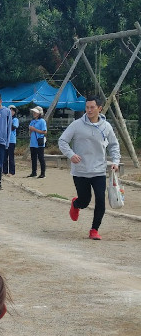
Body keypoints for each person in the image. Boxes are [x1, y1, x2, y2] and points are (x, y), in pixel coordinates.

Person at [58, 96, 121, 240]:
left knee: (100, 199)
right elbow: (62, 141)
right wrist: (71, 154)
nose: (89, 110)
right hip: (80, 170)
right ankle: (76, 203)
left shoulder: (106, 126)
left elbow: (114, 145)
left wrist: (115, 161)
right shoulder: (76, 125)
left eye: (92, 107)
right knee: (85, 201)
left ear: (99, 108)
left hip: (99, 170)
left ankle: (94, 230)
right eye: (87, 107)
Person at [27, 106, 47, 179]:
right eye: (33, 112)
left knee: (41, 157)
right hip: (33, 142)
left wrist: (34, 129)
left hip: (39, 142)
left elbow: (44, 131)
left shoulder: (42, 121)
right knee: (33, 158)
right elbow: (30, 130)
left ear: (39, 113)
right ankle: (34, 172)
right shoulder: (32, 121)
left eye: (35, 112)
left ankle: (42, 173)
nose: (34, 113)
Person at [3, 105, 19, 176]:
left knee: (11, 156)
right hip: (4, 140)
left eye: (13, 110)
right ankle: (5, 171)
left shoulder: (15, 119)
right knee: (4, 156)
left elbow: (13, 128)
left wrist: (9, 120)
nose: (11, 112)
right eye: (10, 110)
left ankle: (12, 172)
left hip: (11, 140)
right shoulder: (4, 119)